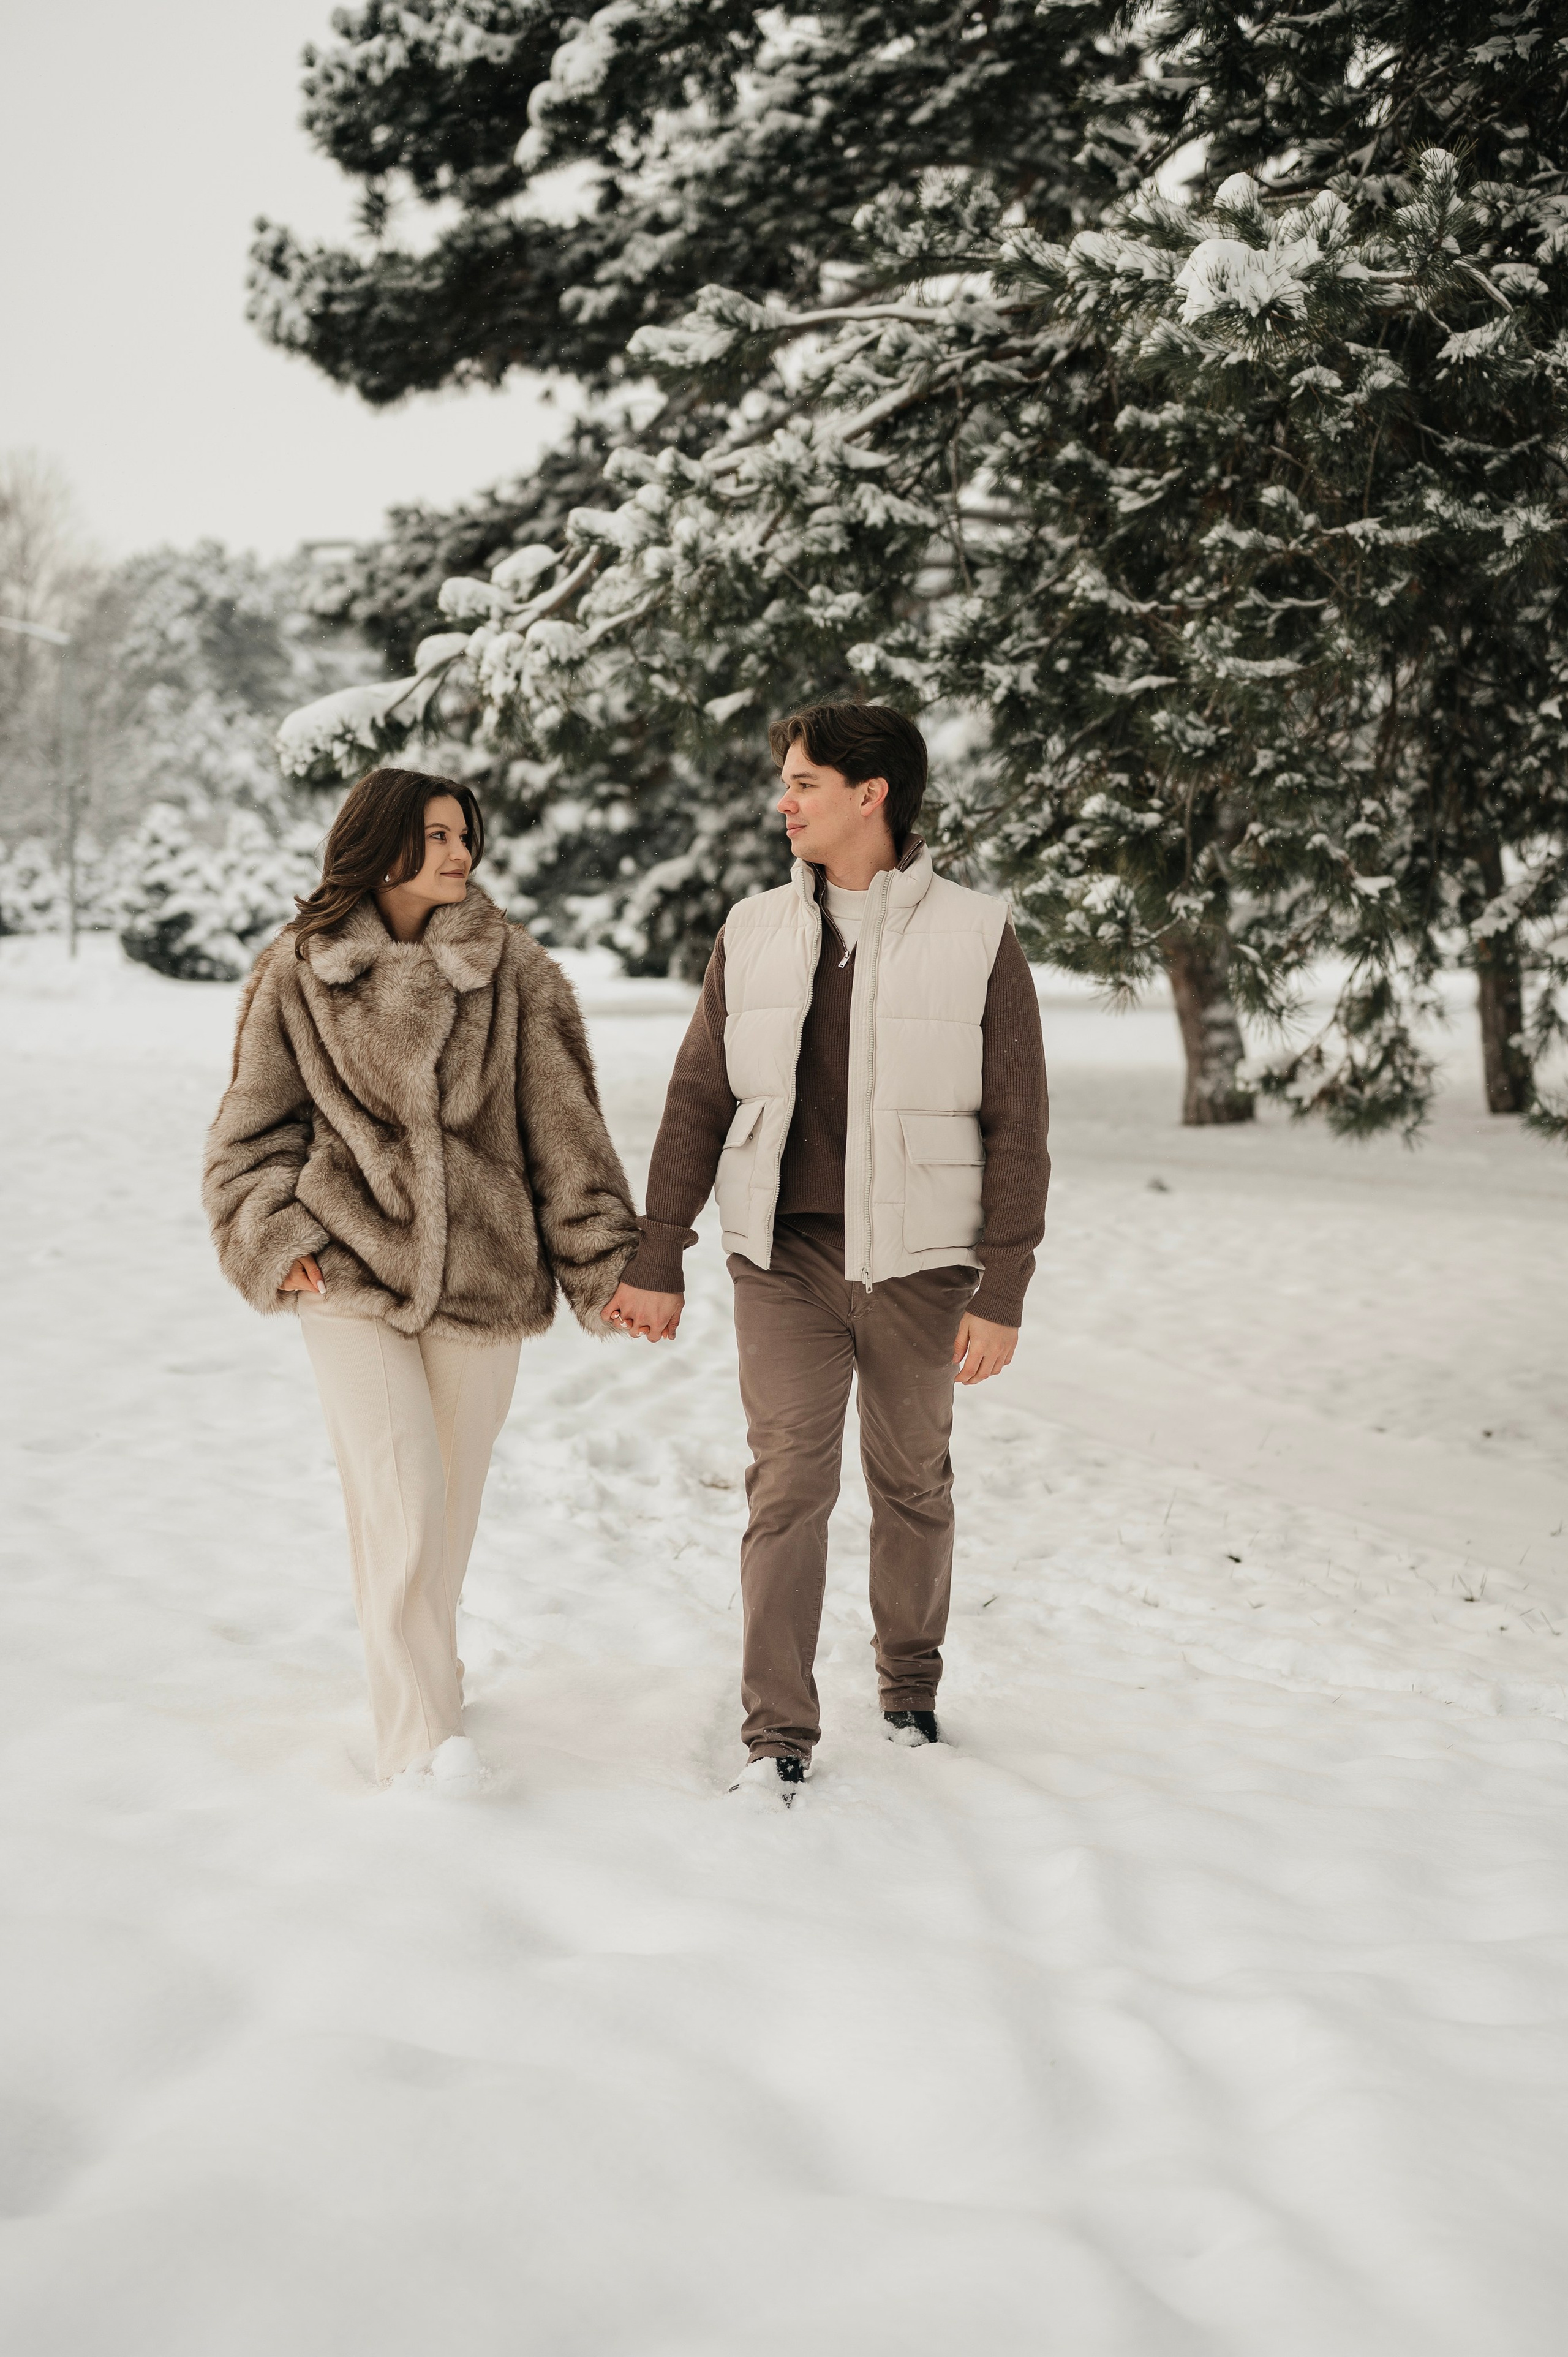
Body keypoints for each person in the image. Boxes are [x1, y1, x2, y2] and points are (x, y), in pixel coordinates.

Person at [601, 704, 1049, 1803]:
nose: (783, 801)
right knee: (788, 1485)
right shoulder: (752, 930)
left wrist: (1005, 1286)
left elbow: (1020, 1124)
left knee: (912, 1482)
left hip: (923, 1263)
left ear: (871, 794)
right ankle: (777, 1732)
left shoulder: (979, 934)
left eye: (804, 783)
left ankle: (908, 1687)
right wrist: (657, 1254)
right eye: (786, 783)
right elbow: (699, 1096)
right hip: (784, 1258)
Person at [204, 767, 638, 1788]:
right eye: (436, 835)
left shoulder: (515, 972)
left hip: (484, 1276)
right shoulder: (297, 973)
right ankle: (419, 1750)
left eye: (465, 835)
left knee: (448, 1505)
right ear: (378, 842)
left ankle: (430, 1673)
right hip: (344, 1269)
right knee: (400, 1493)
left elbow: (566, 1136)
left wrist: (603, 1267)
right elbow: (249, 1135)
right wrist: (275, 1237)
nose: (460, 853)